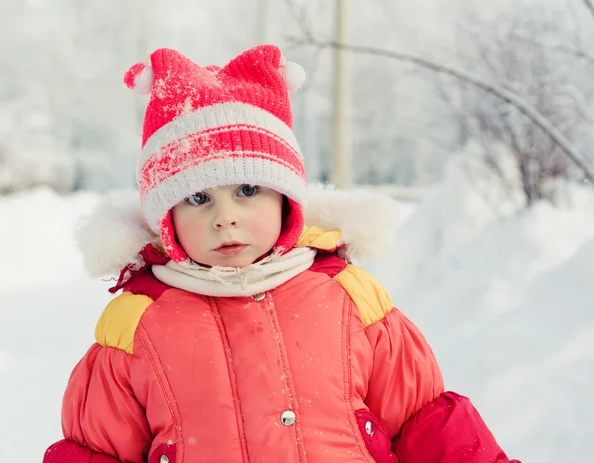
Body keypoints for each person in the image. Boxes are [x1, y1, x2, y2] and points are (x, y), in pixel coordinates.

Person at [42, 45, 520, 463]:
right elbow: (96, 451)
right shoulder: (136, 324)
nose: (225, 217)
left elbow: (425, 422)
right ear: (165, 220)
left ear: (286, 200)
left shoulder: (350, 299)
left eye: (247, 189)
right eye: (197, 198)